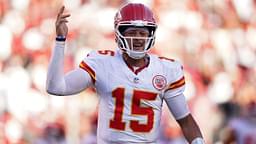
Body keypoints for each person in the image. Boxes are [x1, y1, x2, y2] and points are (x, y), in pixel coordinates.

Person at [46, 3, 205, 144]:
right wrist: (60, 40)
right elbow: (56, 87)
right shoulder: (102, 63)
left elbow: (185, 121)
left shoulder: (166, 70)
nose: (137, 38)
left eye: (142, 33)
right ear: (118, 33)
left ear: (150, 35)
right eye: (132, 32)